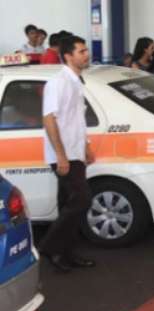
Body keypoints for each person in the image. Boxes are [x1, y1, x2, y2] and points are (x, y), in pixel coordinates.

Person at [39, 35, 96, 274]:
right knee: (81, 200)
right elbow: (49, 119)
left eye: (86, 50)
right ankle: (49, 247)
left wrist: (85, 146)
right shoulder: (58, 82)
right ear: (68, 56)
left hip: (75, 152)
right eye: (82, 51)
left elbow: (75, 120)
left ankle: (65, 254)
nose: (86, 54)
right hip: (64, 155)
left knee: (68, 203)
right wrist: (61, 156)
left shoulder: (75, 81)